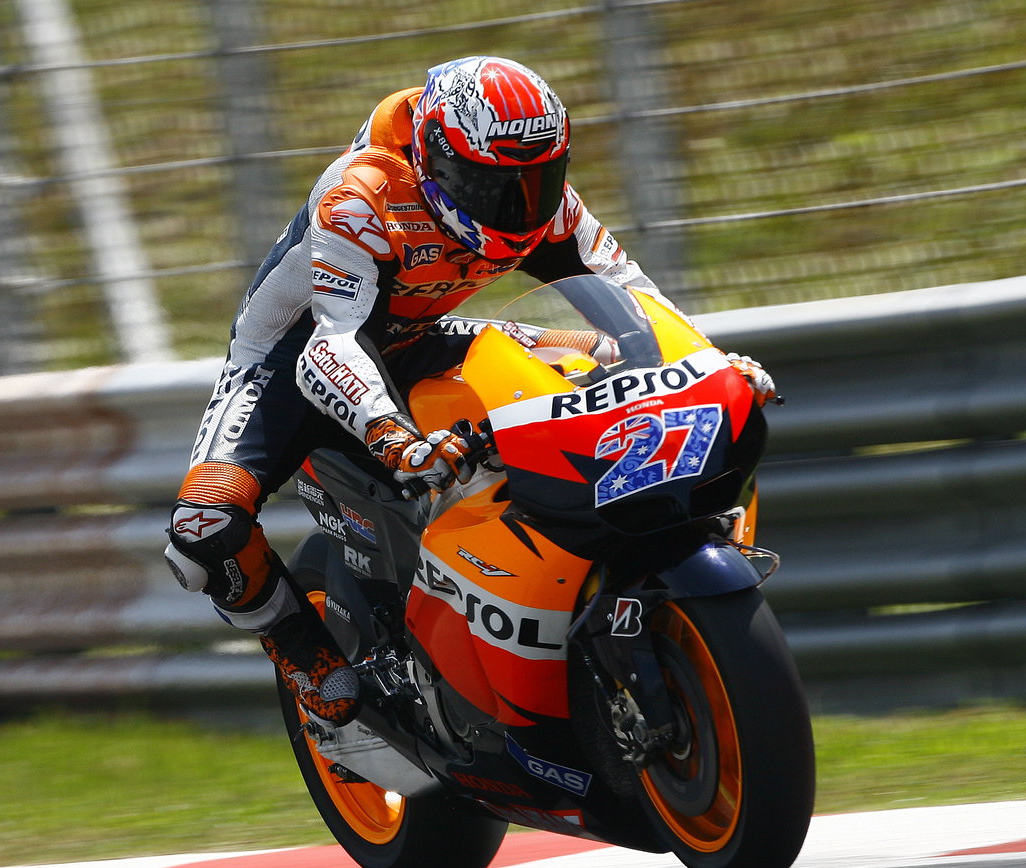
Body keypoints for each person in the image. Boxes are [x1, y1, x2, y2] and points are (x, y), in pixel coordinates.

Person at [164, 56, 775, 727]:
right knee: (205, 526)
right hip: (293, 356)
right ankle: (298, 649)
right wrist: (391, 436)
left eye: (538, 181)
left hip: (426, 333)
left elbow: (631, 296)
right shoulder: (361, 196)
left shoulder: (551, 209)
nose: (520, 205)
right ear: (436, 160)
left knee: (599, 359)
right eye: (491, 185)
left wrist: (710, 363)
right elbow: (330, 344)